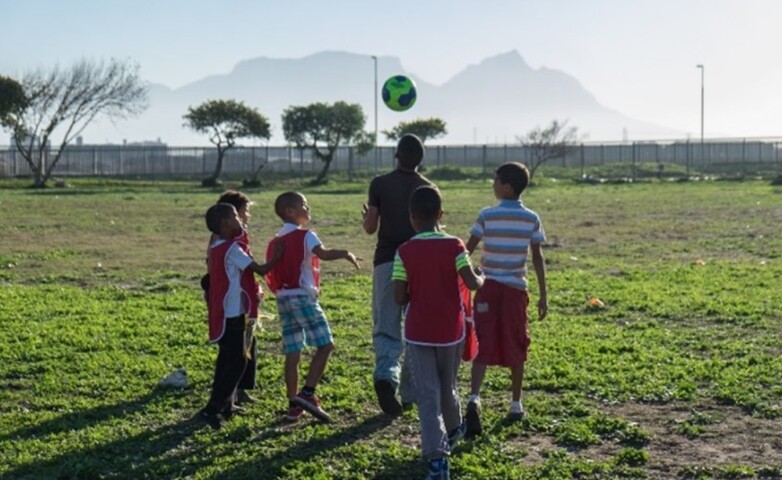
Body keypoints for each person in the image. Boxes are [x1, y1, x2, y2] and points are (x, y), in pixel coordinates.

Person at [393, 185, 484, 480]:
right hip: (451, 331)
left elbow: (398, 298)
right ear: (441, 215)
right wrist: (481, 278)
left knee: (428, 397)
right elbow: (471, 283)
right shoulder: (455, 246)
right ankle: (455, 428)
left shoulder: (404, 251)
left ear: (412, 217)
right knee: (448, 386)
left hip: (418, 332)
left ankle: (437, 459)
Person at [463, 162, 548, 438]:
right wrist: (543, 295)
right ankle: (515, 403)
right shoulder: (531, 218)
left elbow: (466, 251)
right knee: (517, 341)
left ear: (507, 187)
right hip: (514, 291)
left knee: (482, 340)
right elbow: (536, 257)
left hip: (487, 288)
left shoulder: (486, 215)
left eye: (496, 181)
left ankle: (474, 398)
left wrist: (468, 273)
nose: (493, 184)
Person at [266, 191, 360, 423]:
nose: (307, 209)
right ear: (290, 211)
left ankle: (293, 405)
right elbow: (323, 254)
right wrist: (346, 253)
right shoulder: (306, 236)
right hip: (302, 298)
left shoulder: (275, 241)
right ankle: (307, 394)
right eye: (304, 205)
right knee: (326, 346)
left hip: (283, 298)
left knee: (293, 351)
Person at [362, 133, 433, 415]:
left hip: (387, 260)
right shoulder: (427, 187)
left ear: (397, 155)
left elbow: (370, 228)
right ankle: (408, 392)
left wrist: (366, 215)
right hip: (419, 261)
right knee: (414, 327)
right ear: (421, 159)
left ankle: (386, 376)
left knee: (386, 324)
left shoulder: (380, 183)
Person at [198, 203, 282, 429]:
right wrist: (277, 256)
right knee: (238, 361)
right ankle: (213, 408)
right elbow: (261, 270)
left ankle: (225, 405)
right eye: (236, 217)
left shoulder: (217, 245)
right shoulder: (233, 251)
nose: (241, 219)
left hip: (225, 313)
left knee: (226, 360)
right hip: (234, 313)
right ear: (226, 224)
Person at [203, 190, 259, 406]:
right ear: (228, 219)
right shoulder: (223, 242)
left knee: (245, 347)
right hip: (231, 306)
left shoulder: (235, 238)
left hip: (239, 301)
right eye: (244, 212)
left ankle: (236, 394)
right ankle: (225, 399)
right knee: (235, 355)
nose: (247, 216)